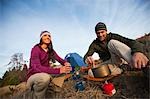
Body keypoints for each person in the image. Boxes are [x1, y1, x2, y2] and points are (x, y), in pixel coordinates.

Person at [84, 22, 149, 76]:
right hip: (109, 62)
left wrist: (138, 52)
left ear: (106, 31)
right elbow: (86, 56)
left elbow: (130, 42)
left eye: (102, 32)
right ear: (96, 33)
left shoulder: (113, 36)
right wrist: (87, 59)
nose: (100, 35)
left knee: (111, 43)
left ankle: (139, 65)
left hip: (122, 58)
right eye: (98, 33)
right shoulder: (94, 44)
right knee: (91, 72)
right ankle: (122, 69)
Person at [26, 31, 72, 98]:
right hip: (34, 76)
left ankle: (54, 90)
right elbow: (37, 67)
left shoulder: (50, 51)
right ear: (41, 38)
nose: (47, 37)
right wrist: (58, 71)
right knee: (45, 78)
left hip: (45, 73)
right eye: (45, 35)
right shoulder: (36, 49)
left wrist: (66, 63)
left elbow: (59, 59)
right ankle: (36, 96)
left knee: (64, 68)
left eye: (49, 36)